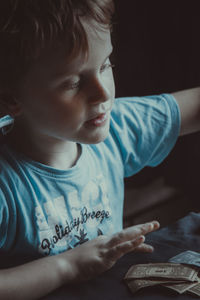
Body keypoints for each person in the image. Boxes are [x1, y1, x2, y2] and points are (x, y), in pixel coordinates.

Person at [0, 0, 200, 299]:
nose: (103, 93)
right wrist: (67, 267)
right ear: (12, 99)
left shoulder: (114, 124)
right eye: (73, 82)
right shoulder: (7, 185)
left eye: (105, 65)